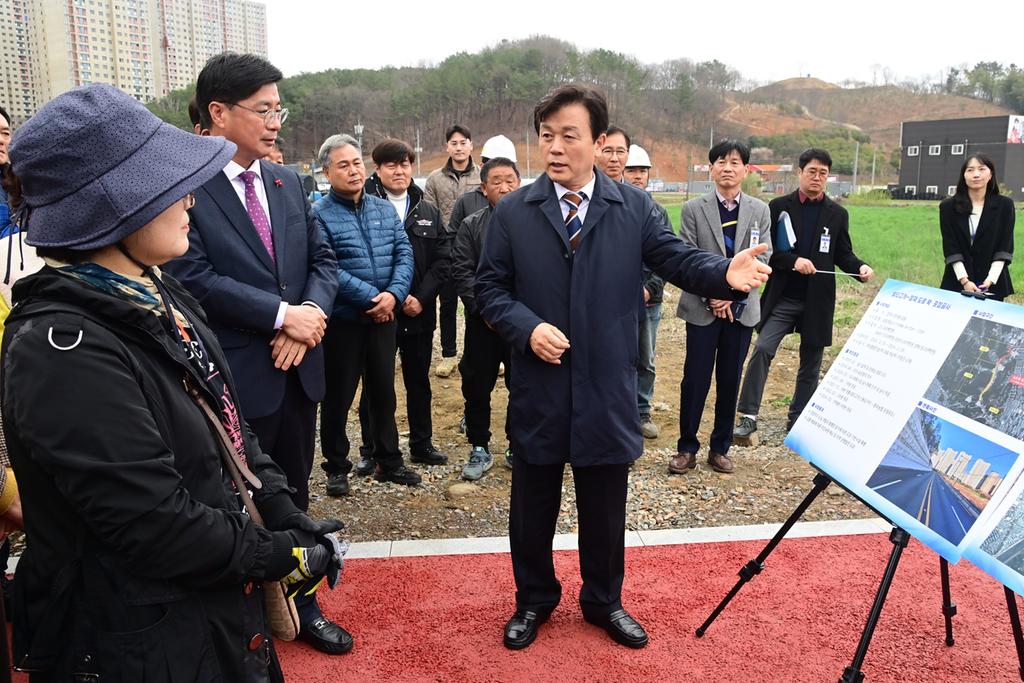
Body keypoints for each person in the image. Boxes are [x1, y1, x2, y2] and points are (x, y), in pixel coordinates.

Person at [1, 83, 344, 680]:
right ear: (114, 209)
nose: (190, 197)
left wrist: (282, 508)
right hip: (138, 641)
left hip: (207, 617)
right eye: (167, 184)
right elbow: (153, 524)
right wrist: (275, 554)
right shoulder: (61, 349)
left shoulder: (159, 291)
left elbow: (228, 425)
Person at [476, 83, 771, 651]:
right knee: (532, 504)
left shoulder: (632, 208)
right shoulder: (514, 211)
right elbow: (489, 288)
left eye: (569, 135)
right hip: (541, 381)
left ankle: (604, 600)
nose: (555, 147)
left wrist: (722, 274)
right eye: (546, 136)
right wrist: (526, 327)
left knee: (606, 507)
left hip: (607, 382)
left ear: (598, 142)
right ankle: (533, 599)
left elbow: (676, 258)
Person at [163, 53, 350, 655]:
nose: (274, 122)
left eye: (278, 110)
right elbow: (192, 276)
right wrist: (280, 315)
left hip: (297, 370)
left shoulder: (286, 181)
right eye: (263, 109)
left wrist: (308, 314)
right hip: (233, 375)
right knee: (228, 501)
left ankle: (303, 604)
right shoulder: (185, 186)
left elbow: (323, 261)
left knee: (292, 494)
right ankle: (240, 614)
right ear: (218, 113)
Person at [734, 148, 874, 444]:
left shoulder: (837, 214)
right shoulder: (778, 207)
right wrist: (793, 261)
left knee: (811, 362)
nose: (817, 177)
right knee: (763, 348)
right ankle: (748, 416)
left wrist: (859, 268)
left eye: (823, 173)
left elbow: (843, 254)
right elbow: (768, 252)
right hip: (784, 296)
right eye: (812, 171)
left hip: (817, 301)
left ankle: (798, 418)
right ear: (800, 172)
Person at [312, 134, 420, 495]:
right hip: (345, 321)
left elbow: (404, 254)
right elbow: (328, 267)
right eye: (343, 165)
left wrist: (394, 295)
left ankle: (388, 459)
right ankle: (336, 466)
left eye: (356, 162)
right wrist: (374, 299)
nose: (353, 170)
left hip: (384, 320)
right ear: (327, 172)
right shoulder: (318, 215)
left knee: (383, 393)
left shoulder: (383, 209)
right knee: (339, 396)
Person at [671, 140, 771, 476]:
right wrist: (714, 293)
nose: (727, 167)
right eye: (721, 162)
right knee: (695, 380)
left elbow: (765, 256)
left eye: (735, 162)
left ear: (746, 169)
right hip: (702, 308)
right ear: (711, 168)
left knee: (730, 379)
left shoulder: (760, 210)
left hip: (741, 309)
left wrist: (733, 294)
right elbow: (685, 256)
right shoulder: (693, 209)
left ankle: (720, 448)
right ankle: (687, 447)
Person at [360, 139, 450, 467]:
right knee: (376, 384)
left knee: (418, 382)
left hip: (418, 314)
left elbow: (443, 259)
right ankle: (371, 449)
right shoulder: (363, 207)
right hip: (379, 313)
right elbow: (358, 260)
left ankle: (421, 444)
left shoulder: (427, 210)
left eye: (405, 164)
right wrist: (389, 298)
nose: (399, 171)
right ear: (378, 169)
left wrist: (423, 298)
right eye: (391, 165)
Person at [452, 157, 520, 479]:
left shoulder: (535, 224)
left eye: (510, 181)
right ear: (484, 188)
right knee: (477, 385)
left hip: (520, 324)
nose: (504, 188)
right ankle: (479, 445)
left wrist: (518, 315)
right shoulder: (472, 225)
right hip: (483, 323)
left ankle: (516, 444)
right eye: (497, 182)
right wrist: (486, 311)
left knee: (522, 384)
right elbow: (462, 271)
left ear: (519, 184)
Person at [424, 124, 480, 378]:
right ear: (447, 147)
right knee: (447, 304)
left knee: (475, 303)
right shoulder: (435, 179)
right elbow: (429, 214)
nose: (459, 147)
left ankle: (478, 353)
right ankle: (448, 355)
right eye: (454, 143)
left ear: (471, 145)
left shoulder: (481, 175)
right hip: (446, 249)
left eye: (463, 142)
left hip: (476, 250)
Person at [622, 143, 667, 439]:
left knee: (645, 358)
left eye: (642, 171)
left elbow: (667, 257)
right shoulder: (615, 207)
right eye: (632, 170)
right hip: (618, 300)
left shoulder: (657, 212)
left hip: (649, 301)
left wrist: (650, 289)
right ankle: (620, 412)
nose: (637, 176)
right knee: (618, 356)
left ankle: (642, 410)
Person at [939, 154, 1015, 301]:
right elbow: (951, 247)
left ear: (990, 174)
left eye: (981, 169)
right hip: (957, 281)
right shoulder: (948, 207)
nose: (976, 174)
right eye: (970, 170)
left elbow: (1004, 245)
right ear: (963, 175)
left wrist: (991, 279)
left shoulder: (1004, 205)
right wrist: (964, 281)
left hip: (993, 282)